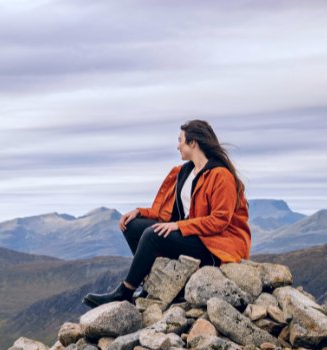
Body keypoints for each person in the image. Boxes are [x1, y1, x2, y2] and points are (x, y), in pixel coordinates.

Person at [83, 120, 252, 308]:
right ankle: (153, 283)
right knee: (132, 226)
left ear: (193, 143)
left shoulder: (220, 175)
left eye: (180, 140)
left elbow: (219, 220)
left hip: (215, 245)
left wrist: (179, 226)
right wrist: (139, 212)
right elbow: (166, 213)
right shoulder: (183, 172)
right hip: (193, 236)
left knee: (152, 235)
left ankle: (125, 292)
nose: (178, 145)